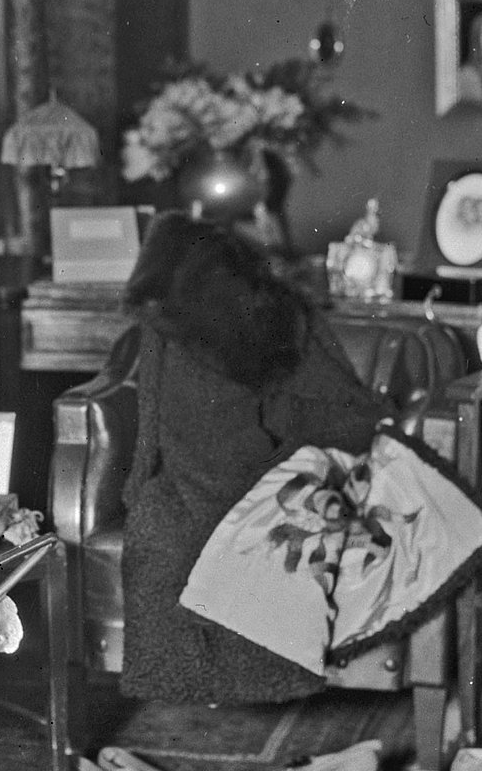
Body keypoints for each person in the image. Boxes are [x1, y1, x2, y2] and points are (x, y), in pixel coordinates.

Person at [118, 212, 390, 705]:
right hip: (256, 476)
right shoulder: (272, 313)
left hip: (257, 477)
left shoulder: (257, 317)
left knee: (163, 526)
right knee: (166, 528)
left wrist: (138, 489)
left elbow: (149, 426)